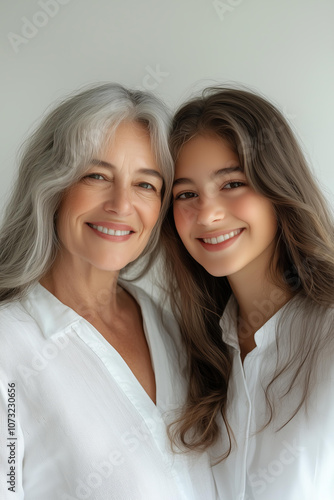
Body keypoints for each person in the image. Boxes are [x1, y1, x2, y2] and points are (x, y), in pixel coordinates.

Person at [0, 83, 217, 500]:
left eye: (146, 185)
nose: (121, 205)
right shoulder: (8, 344)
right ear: (53, 185)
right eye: (97, 176)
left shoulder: (171, 327)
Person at [161, 87, 334, 500]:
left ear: (278, 188)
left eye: (233, 183)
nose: (207, 213)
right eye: (186, 194)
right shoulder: (188, 351)